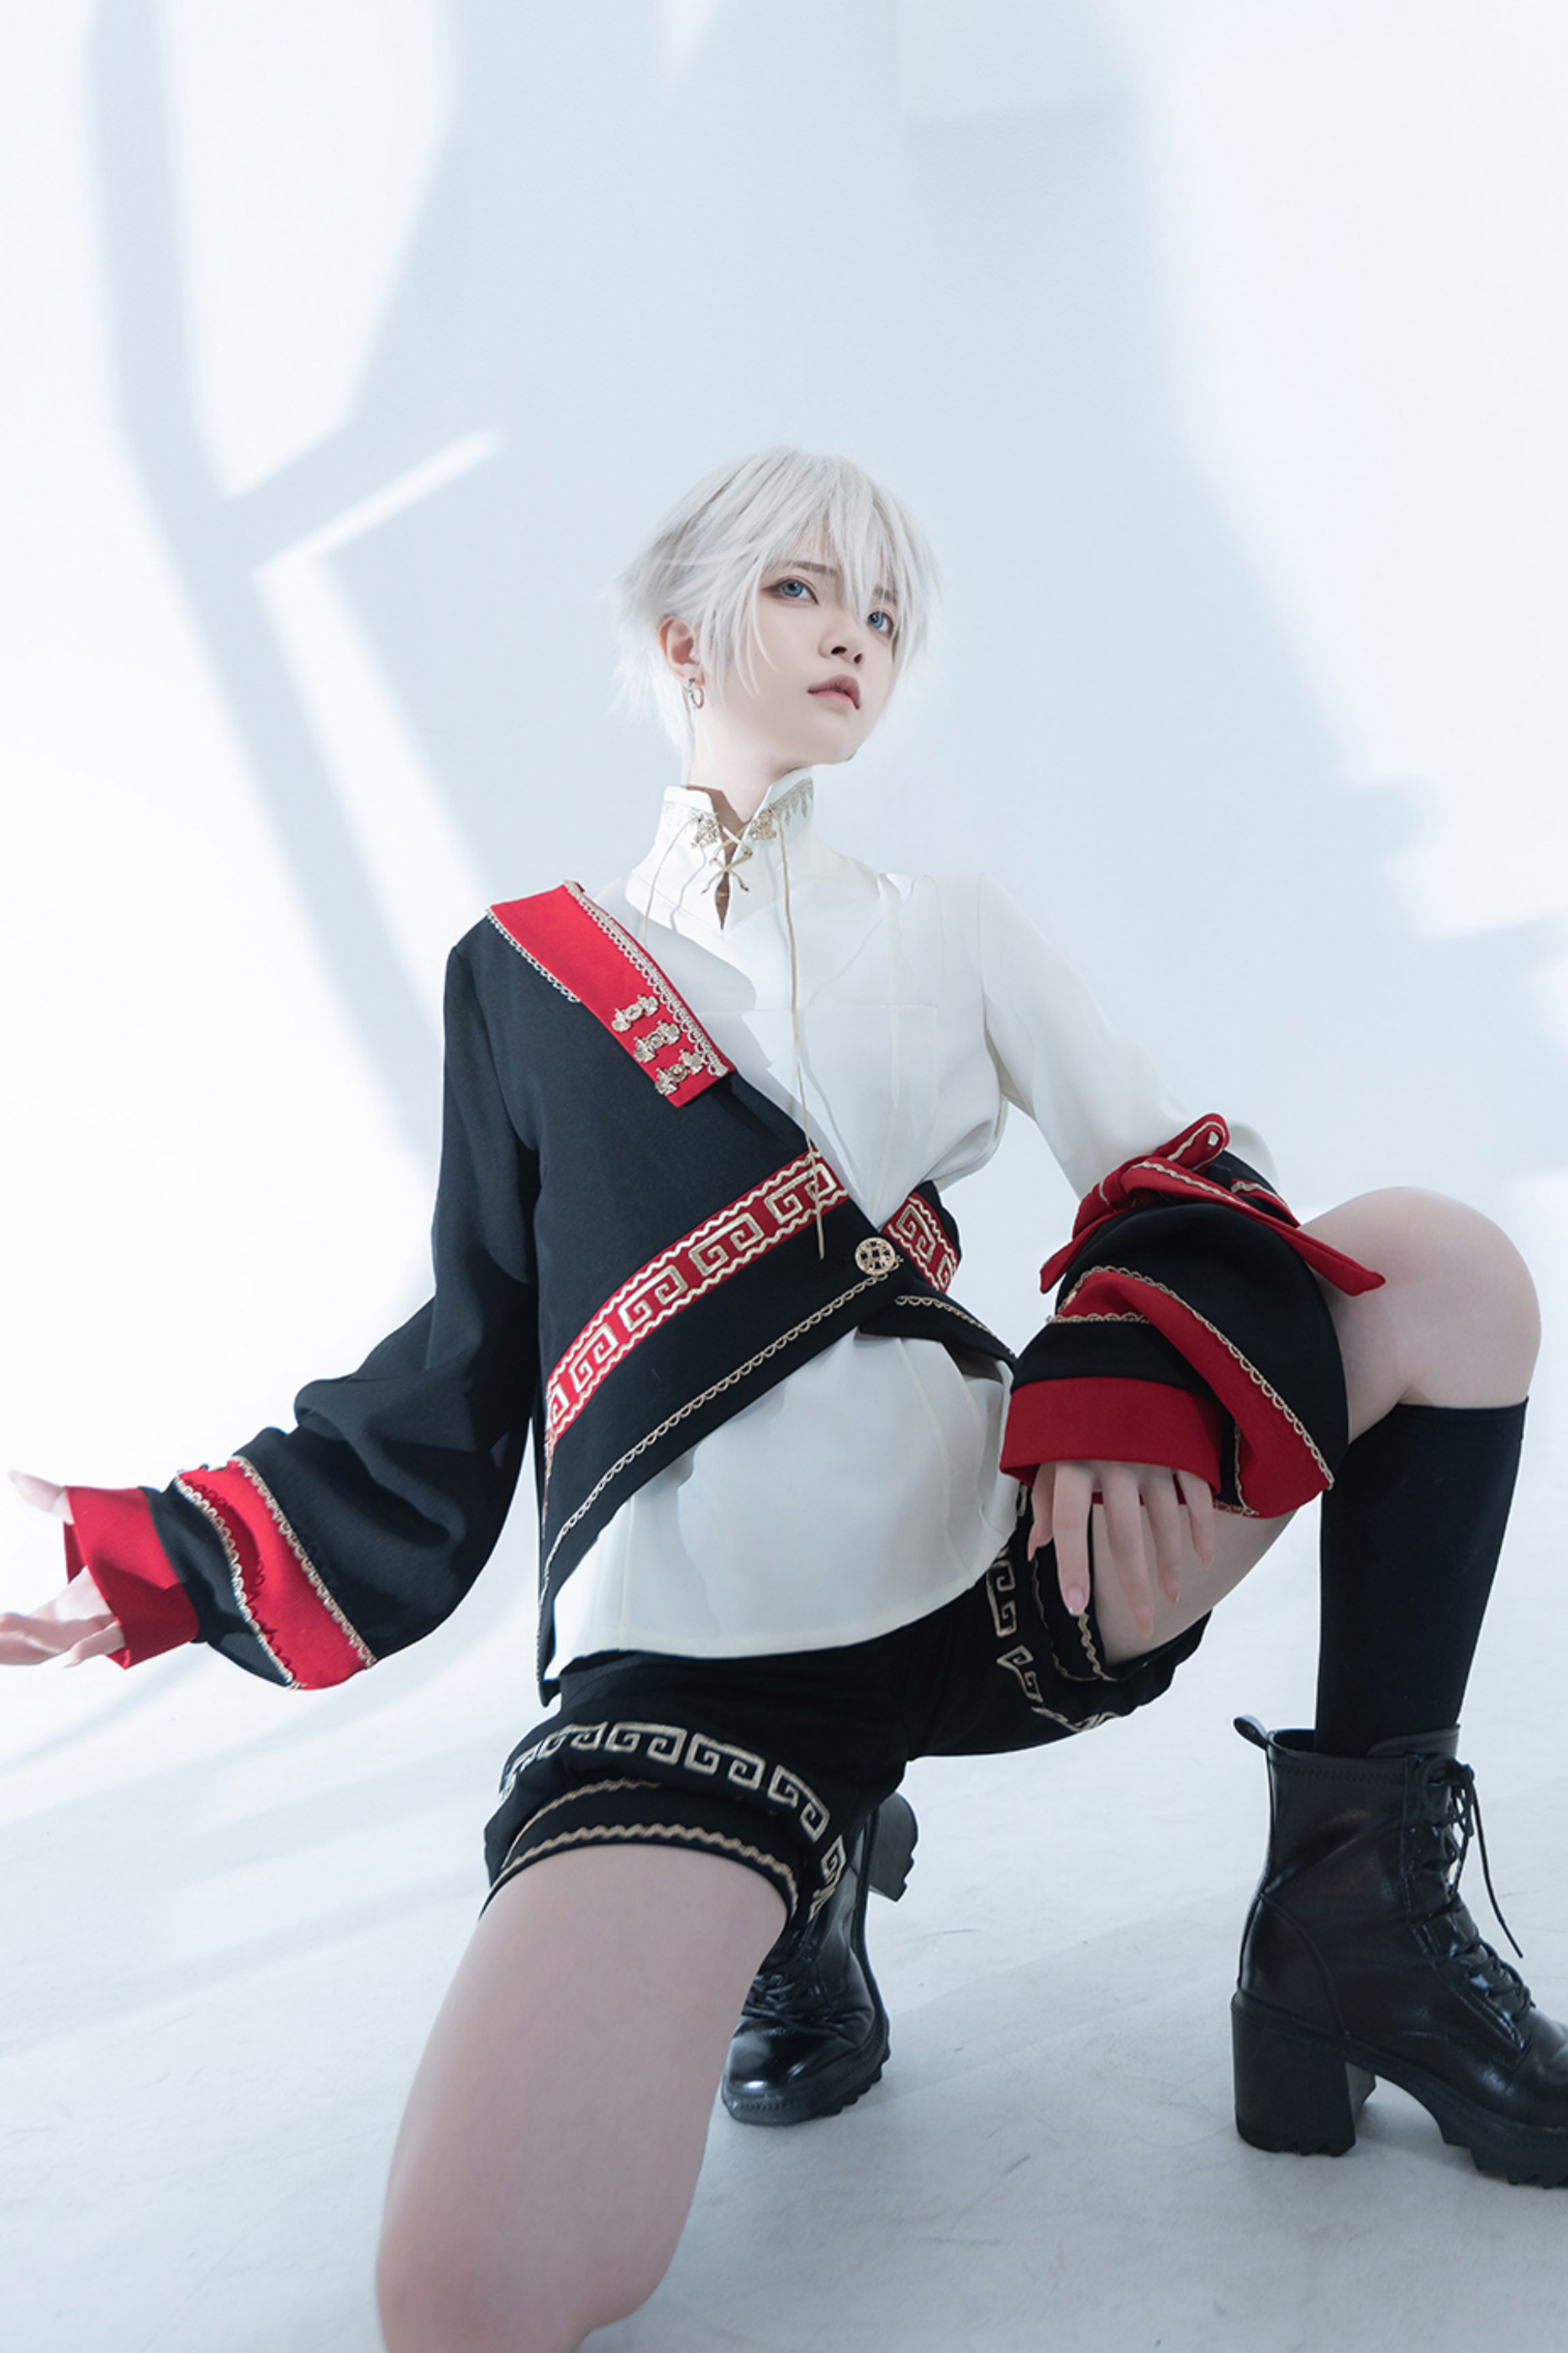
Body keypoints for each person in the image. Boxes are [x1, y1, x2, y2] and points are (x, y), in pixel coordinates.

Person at [3, 445, 1559, 2353]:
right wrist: (155, 1564)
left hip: (1008, 1563)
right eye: (806, 589)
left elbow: (1175, 1179)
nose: (856, 636)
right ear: (682, 636)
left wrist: (1115, 1384)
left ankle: (1354, 1920)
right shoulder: (527, 974)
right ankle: (804, 1882)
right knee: (464, 2292)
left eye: (886, 612)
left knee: (1445, 1270)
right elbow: (461, 1367)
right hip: (701, 1680)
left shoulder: (953, 922)